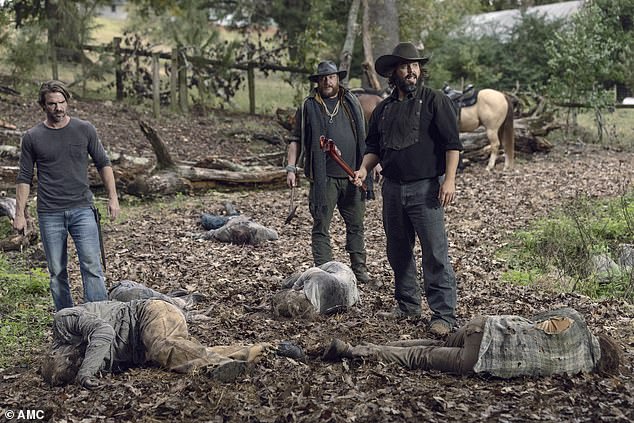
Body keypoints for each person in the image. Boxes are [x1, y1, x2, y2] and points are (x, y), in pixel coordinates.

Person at [352, 42, 463, 335]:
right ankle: (407, 304)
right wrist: (364, 168)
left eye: (414, 66)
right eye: (405, 66)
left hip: (425, 189)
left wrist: (449, 180)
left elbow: (452, 144)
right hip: (392, 190)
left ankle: (444, 315)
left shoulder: (435, 101)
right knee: (398, 251)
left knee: (435, 252)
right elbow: (374, 146)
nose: (411, 71)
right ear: (394, 73)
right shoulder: (383, 110)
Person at [14, 80, 120, 311]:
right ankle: (67, 320)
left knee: (91, 266)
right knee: (57, 272)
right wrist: (19, 213)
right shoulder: (32, 137)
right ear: (43, 105)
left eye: (62, 103)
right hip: (49, 213)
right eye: (52, 104)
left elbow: (104, 163)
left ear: (67, 102)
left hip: (83, 209)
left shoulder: (84, 129)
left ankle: (99, 316)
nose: (58, 108)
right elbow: (24, 178)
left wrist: (113, 197)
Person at [323, 308, 622, 378]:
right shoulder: (577, 367)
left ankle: (373, 343)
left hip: (486, 326)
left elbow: (540, 317)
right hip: (482, 358)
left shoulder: (575, 321)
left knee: (430, 342)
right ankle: (353, 352)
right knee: (422, 356)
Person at [40, 298, 270, 388]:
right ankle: (261, 350)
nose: (77, 363)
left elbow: (104, 332)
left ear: (57, 353)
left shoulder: (65, 320)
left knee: (163, 346)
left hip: (149, 313)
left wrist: (85, 374)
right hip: (144, 343)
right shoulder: (81, 361)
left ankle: (216, 365)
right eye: (74, 368)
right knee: (173, 351)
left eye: (72, 361)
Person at [286, 61, 371, 284]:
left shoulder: (351, 102)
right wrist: (291, 168)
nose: (327, 81)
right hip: (324, 179)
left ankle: (359, 271)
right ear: (317, 81)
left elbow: (366, 137)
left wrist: (372, 165)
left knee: (356, 225)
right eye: (323, 77)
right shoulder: (308, 106)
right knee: (321, 225)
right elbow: (295, 140)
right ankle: (326, 274)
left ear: (338, 78)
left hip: (353, 175)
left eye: (331, 77)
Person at [271, 261, 360, 318]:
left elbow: (294, 288)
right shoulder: (313, 274)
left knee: (287, 283)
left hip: (347, 285)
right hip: (345, 276)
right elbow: (295, 288)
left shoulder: (317, 310)